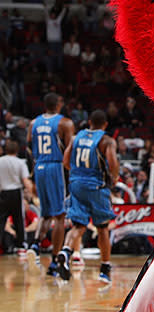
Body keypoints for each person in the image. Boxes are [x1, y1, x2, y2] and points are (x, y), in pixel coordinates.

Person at [56, 110, 119, 283]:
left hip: (76, 183)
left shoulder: (76, 137)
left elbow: (66, 161)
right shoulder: (106, 140)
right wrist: (114, 177)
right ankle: (105, 269)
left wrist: (79, 176)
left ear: (89, 122)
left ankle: (66, 251)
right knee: (102, 228)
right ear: (105, 125)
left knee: (78, 226)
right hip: (96, 186)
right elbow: (112, 164)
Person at [27, 93, 75, 276]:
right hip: (55, 166)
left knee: (45, 214)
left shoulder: (33, 123)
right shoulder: (64, 123)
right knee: (60, 216)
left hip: (39, 165)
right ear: (59, 104)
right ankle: (55, 261)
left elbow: (29, 146)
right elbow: (70, 148)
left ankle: (35, 245)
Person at [0, 140, 33, 254]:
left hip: (3, 192)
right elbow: (25, 180)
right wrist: (32, 194)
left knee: (1, 220)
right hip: (15, 192)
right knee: (19, 219)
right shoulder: (20, 162)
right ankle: (21, 246)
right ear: (17, 150)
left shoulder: (0, 161)